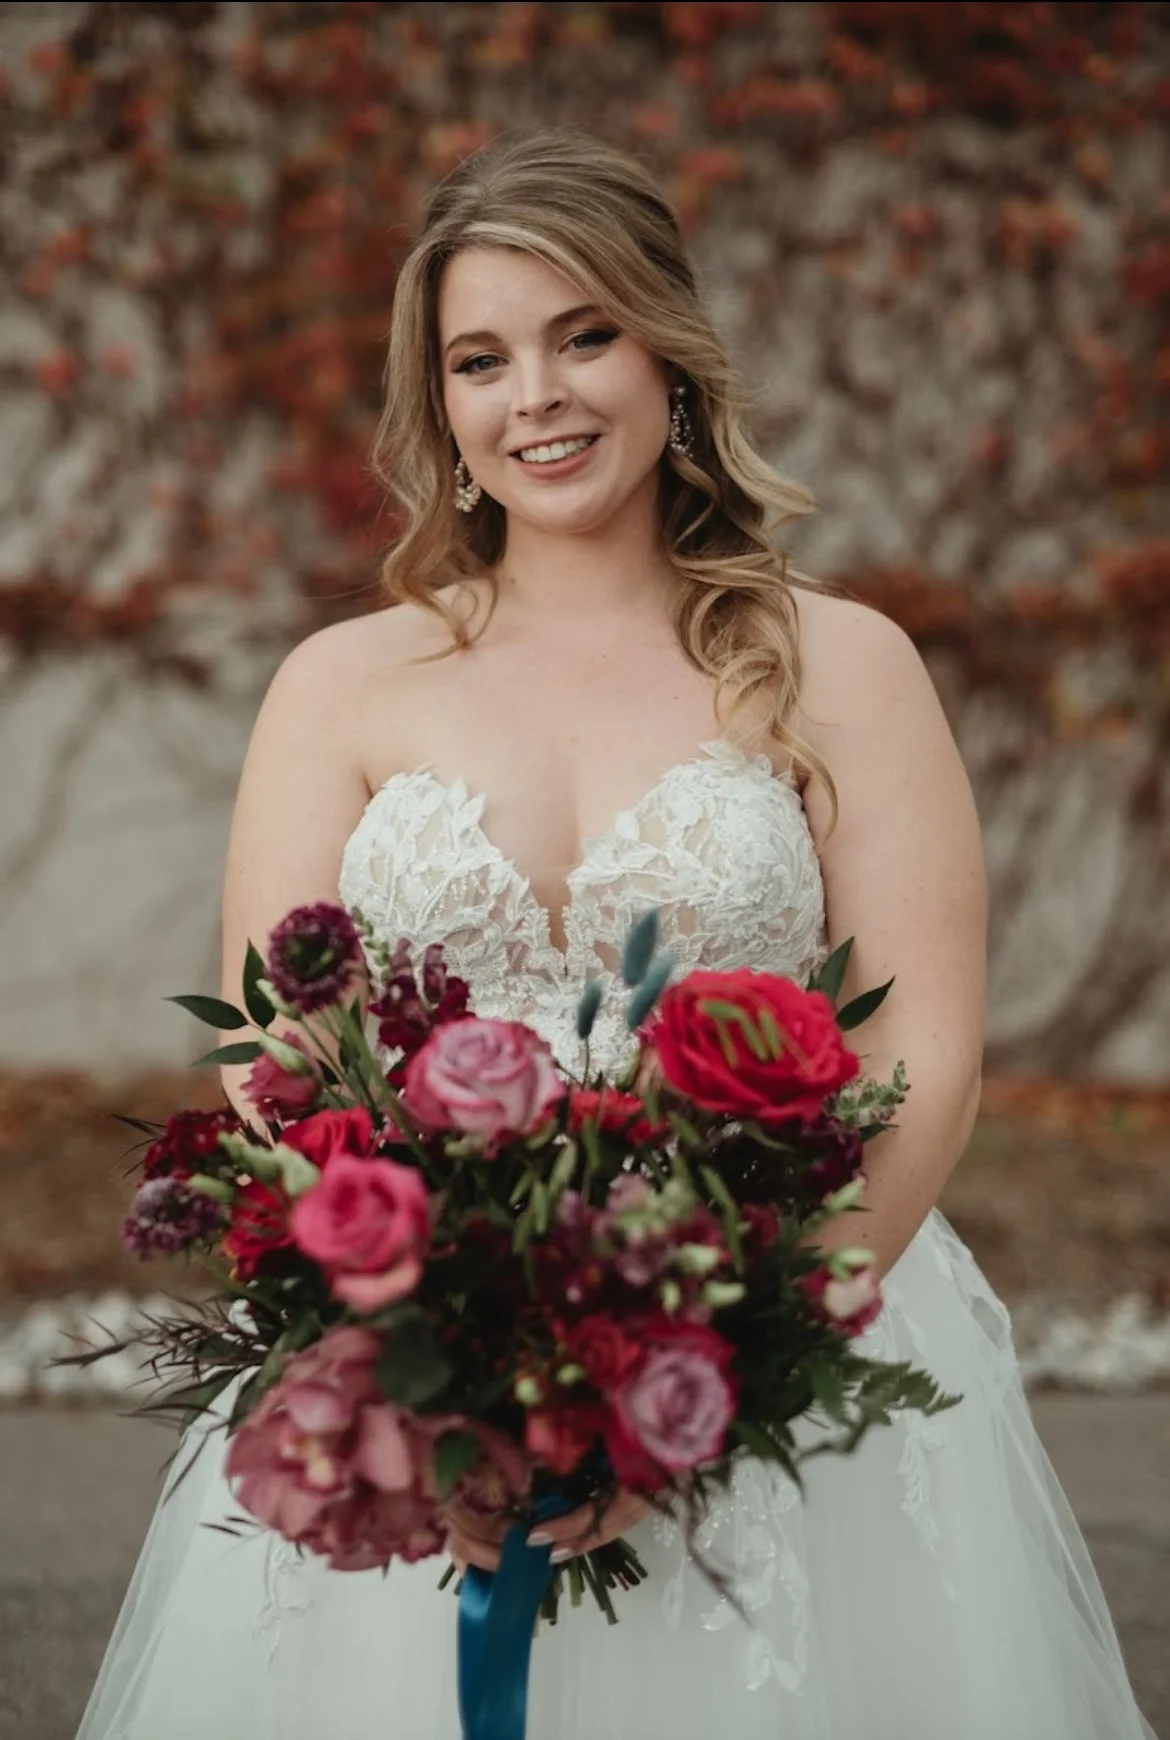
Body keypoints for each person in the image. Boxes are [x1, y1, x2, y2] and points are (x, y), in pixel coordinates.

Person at [77, 128, 1156, 1740]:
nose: (540, 398)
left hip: (791, 1323)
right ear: (438, 405)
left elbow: (920, 1054)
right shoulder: (339, 686)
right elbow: (273, 1058)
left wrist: (718, 1373)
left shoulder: (842, 666)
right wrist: (421, 1372)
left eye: (585, 334)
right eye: (481, 359)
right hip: (425, 1369)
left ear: (670, 351)